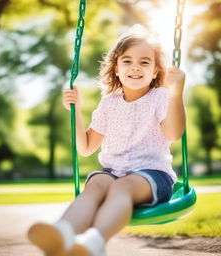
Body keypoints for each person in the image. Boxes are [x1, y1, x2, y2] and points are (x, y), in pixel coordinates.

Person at [27, 24, 186, 256]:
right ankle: (62, 232)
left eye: (144, 62)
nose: (135, 67)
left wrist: (176, 93)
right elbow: (86, 147)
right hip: (114, 172)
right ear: (116, 69)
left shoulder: (160, 97)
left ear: (155, 71)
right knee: (96, 185)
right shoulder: (109, 103)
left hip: (153, 174)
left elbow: (173, 134)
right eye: (127, 61)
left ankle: (95, 242)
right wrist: (76, 111)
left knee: (121, 186)